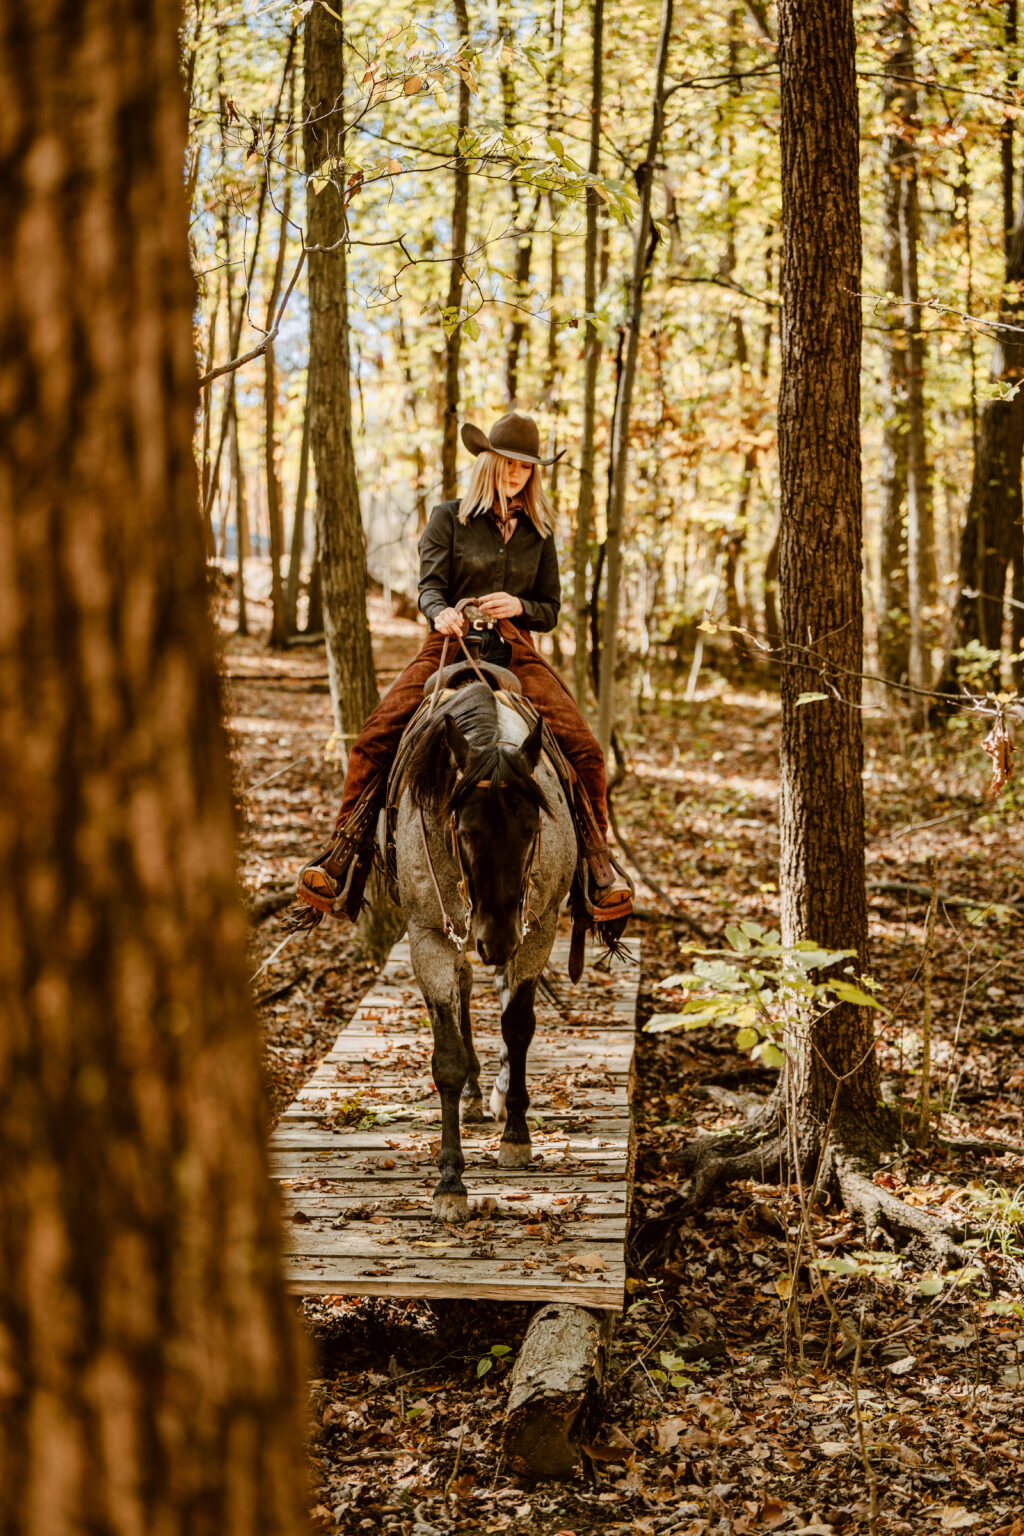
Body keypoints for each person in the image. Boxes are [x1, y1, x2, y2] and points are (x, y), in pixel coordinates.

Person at [294, 410, 632, 922]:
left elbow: (551, 609)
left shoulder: (539, 535)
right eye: (508, 463)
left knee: (585, 750)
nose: (517, 473)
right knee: (377, 734)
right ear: (488, 462)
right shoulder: (447, 517)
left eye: (526, 466)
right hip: (448, 647)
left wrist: (518, 608)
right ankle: (343, 851)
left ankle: (597, 870)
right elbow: (428, 587)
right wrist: (442, 612)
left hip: (515, 651)